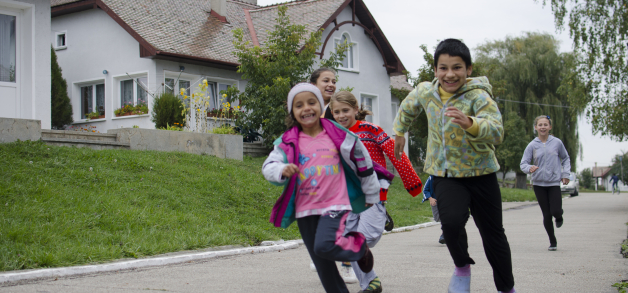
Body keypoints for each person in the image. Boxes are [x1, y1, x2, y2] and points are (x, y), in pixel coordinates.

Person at [392, 39, 516, 293]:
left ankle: (507, 288)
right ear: (435, 69)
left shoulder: (479, 96)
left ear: (468, 70)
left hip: (482, 174)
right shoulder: (426, 92)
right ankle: (462, 268)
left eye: (457, 67)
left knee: (493, 235)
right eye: (443, 68)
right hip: (445, 174)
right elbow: (407, 107)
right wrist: (399, 132)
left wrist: (470, 123)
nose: (450, 74)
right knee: (449, 223)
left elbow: (496, 132)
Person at [262, 83, 379, 293]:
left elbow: (362, 160)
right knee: (321, 261)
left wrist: (371, 192)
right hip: (305, 208)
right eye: (299, 105)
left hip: (335, 203)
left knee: (324, 246)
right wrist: (281, 169)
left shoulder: (337, 134)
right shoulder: (287, 141)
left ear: (320, 106)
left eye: (311, 102)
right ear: (293, 112)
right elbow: (269, 166)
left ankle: (358, 247)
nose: (306, 108)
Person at [330, 91, 423, 293]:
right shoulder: (332, 134)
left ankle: (378, 217)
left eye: (345, 110)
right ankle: (371, 283)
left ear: (355, 109)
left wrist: (412, 183)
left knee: (366, 238)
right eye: (336, 112)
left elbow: (395, 152)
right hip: (347, 196)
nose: (341, 115)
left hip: (373, 193)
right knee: (346, 240)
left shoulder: (370, 130)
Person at [308, 67, 356, 283]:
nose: (331, 84)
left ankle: (346, 265)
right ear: (314, 84)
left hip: (338, 170)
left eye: (333, 80)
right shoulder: (305, 107)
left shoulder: (335, 108)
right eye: (326, 80)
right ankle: (321, 255)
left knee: (342, 214)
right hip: (313, 171)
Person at [521, 115, 571, 251]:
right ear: (536, 127)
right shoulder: (532, 145)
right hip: (538, 184)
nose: (543, 127)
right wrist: (528, 168)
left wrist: (566, 174)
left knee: (555, 210)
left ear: (550, 127)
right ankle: (552, 241)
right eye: (540, 125)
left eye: (545, 124)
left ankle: (559, 216)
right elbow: (523, 163)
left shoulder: (557, 143)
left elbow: (565, 158)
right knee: (547, 214)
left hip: (554, 182)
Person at [421, 175, 445, 244]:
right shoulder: (431, 178)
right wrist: (430, 198)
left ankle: (445, 234)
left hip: (446, 201)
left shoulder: (448, 178)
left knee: (446, 217)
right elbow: (425, 190)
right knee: (437, 218)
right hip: (435, 201)